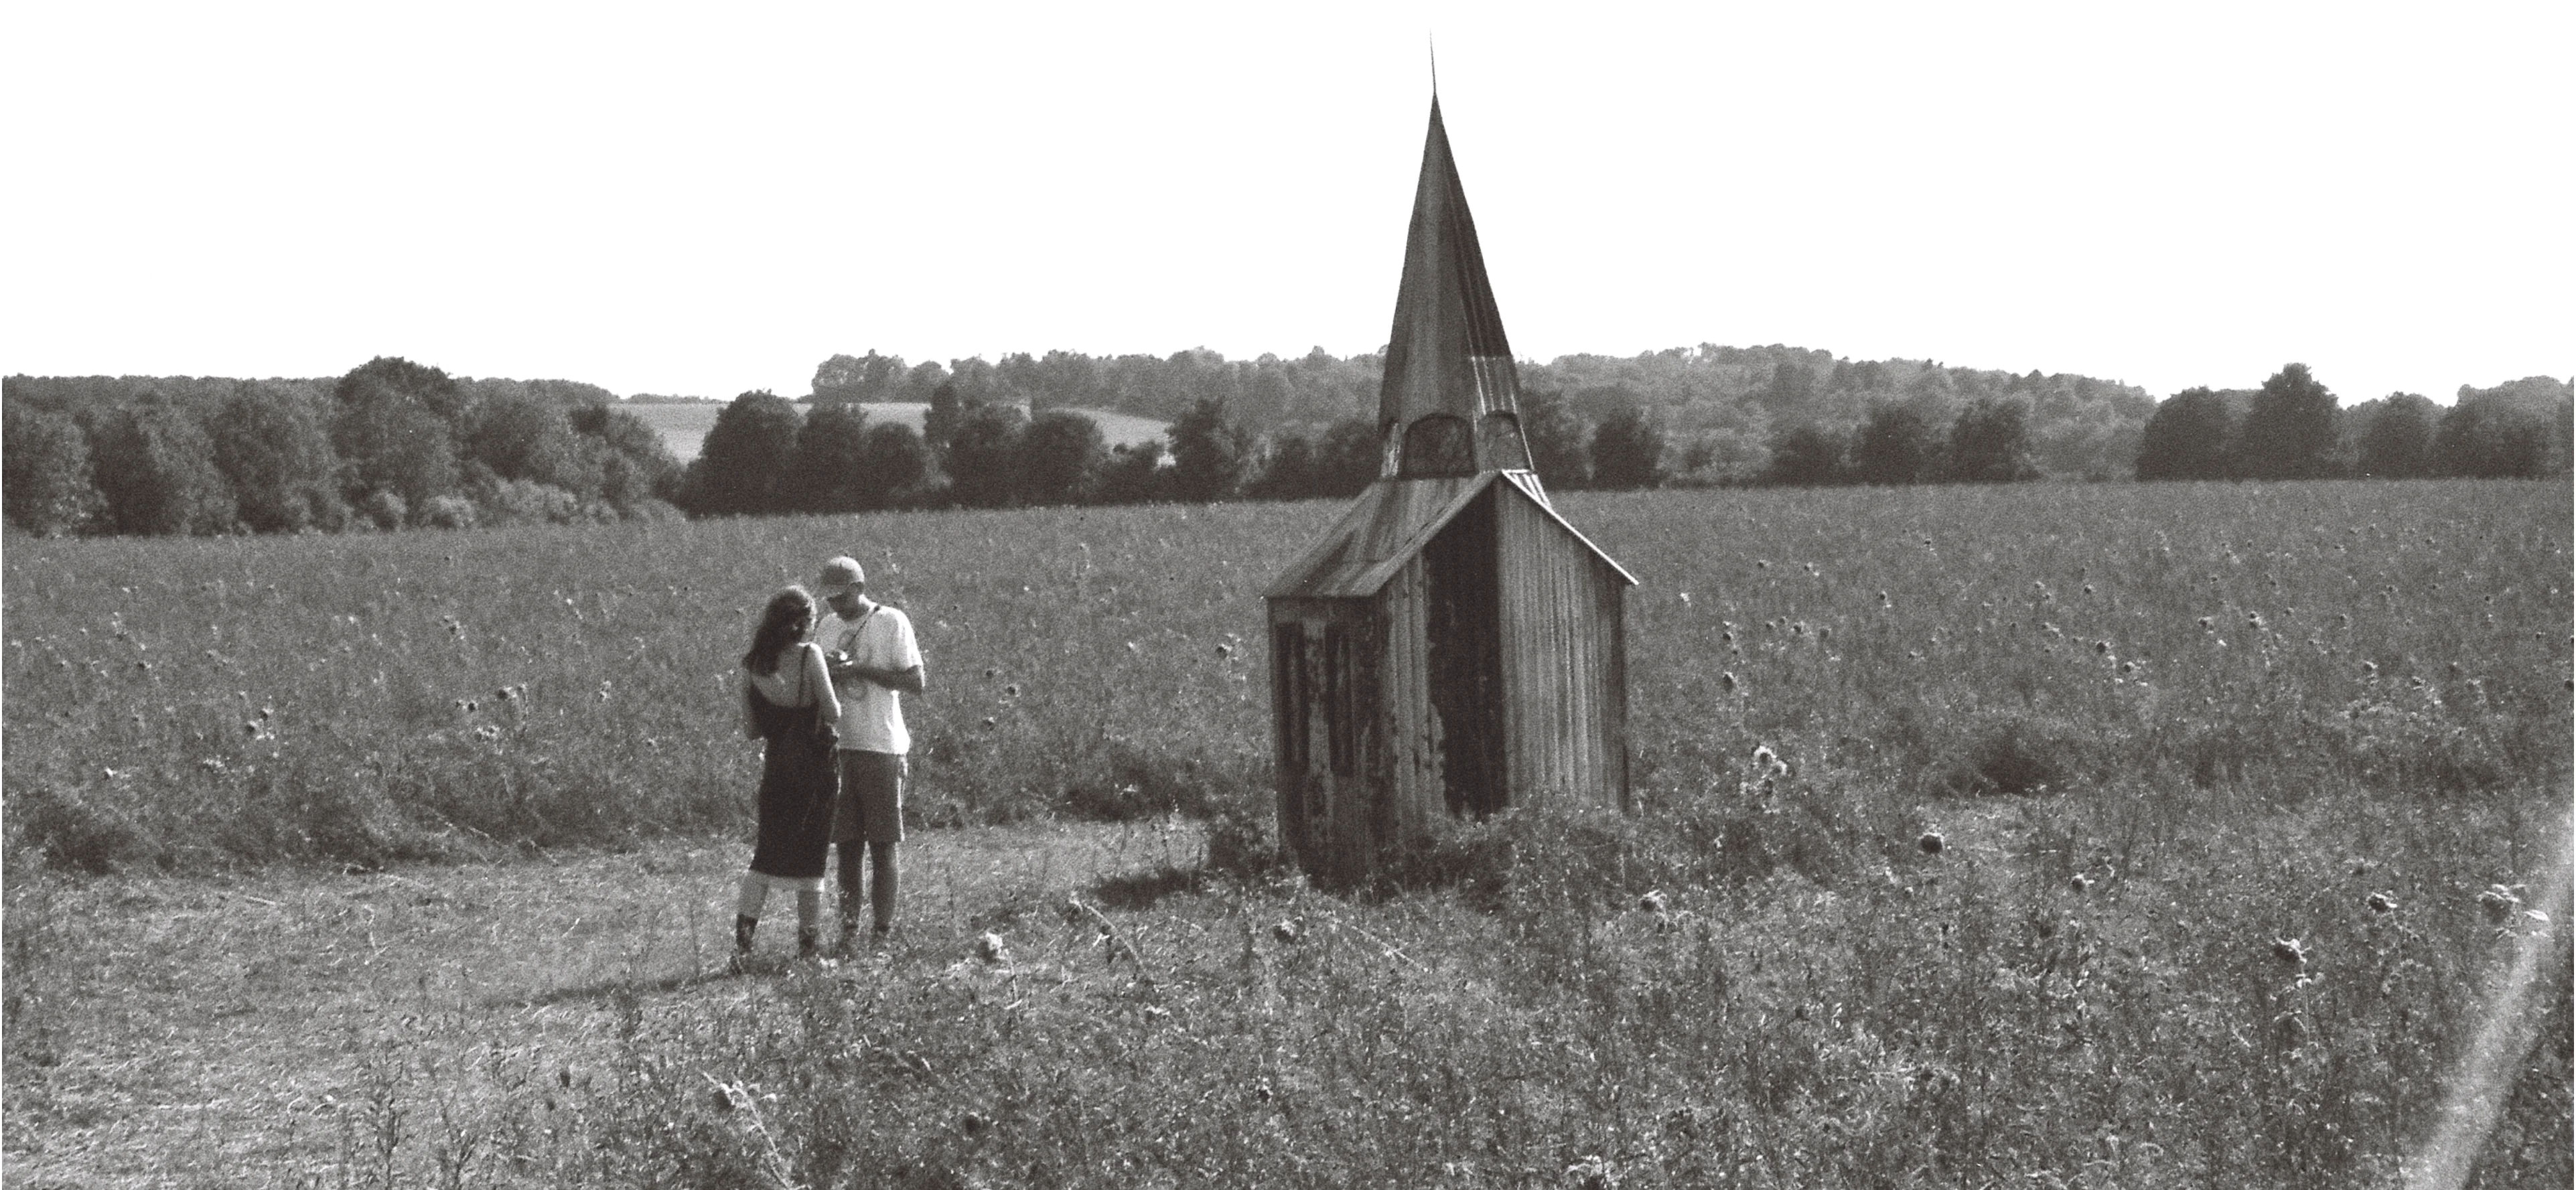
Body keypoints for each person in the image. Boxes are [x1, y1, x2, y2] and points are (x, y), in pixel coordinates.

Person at [810, 555, 925, 950]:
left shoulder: (892, 622)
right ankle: (848, 931)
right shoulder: (825, 626)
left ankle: (882, 932)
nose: (835, 607)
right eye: (829, 600)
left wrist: (860, 670)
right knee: (846, 848)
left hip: (881, 747)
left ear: (859, 588)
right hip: (839, 747)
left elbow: (916, 682)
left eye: (841, 598)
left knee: (883, 844)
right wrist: (828, 671)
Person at [731, 586, 842, 971]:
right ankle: (808, 952)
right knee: (812, 863)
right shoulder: (811, 656)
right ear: (806, 622)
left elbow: (751, 730)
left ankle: (742, 950)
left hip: (777, 772)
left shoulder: (751, 666)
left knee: (764, 860)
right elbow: (832, 713)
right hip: (816, 771)